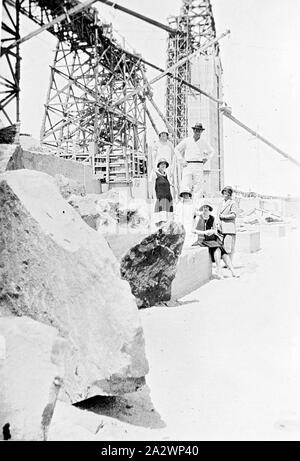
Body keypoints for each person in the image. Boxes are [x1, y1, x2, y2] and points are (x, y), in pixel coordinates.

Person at [192, 200, 238, 278]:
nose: (205, 209)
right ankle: (219, 269)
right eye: (204, 207)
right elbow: (193, 230)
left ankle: (232, 270)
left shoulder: (212, 218)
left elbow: (215, 230)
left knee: (222, 251)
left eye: (207, 207)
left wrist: (212, 231)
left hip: (211, 240)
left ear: (209, 209)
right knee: (218, 249)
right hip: (202, 240)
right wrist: (204, 232)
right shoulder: (198, 218)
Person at [174, 123, 214, 202]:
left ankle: (196, 207)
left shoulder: (203, 141)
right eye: (196, 130)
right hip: (188, 164)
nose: (197, 132)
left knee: (198, 187)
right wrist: (181, 160)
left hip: (199, 165)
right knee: (186, 184)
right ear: (193, 131)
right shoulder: (187, 140)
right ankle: (185, 204)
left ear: (201, 132)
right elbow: (176, 149)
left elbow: (212, 151)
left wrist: (206, 158)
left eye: (199, 131)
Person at [152, 130, 179, 198]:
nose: (163, 135)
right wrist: (155, 168)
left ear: (167, 135)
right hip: (159, 168)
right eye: (162, 134)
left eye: (165, 134)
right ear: (159, 135)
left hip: (168, 167)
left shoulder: (170, 144)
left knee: (170, 184)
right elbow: (153, 157)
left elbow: (173, 156)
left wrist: (172, 168)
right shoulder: (156, 144)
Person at [216, 186, 239, 262]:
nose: (225, 194)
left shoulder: (232, 203)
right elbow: (217, 215)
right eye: (224, 192)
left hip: (229, 228)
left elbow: (234, 215)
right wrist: (217, 224)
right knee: (221, 246)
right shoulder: (220, 203)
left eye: (227, 192)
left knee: (228, 247)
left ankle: (229, 263)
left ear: (230, 194)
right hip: (221, 228)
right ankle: (226, 262)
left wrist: (223, 217)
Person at [150, 158, 174, 228]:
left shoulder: (166, 174)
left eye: (164, 164)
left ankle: (167, 229)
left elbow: (169, 184)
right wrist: (154, 197)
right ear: (159, 165)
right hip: (160, 198)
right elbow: (152, 186)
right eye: (162, 164)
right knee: (161, 216)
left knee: (168, 216)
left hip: (168, 197)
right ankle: (161, 229)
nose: (163, 166)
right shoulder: (154, 174)